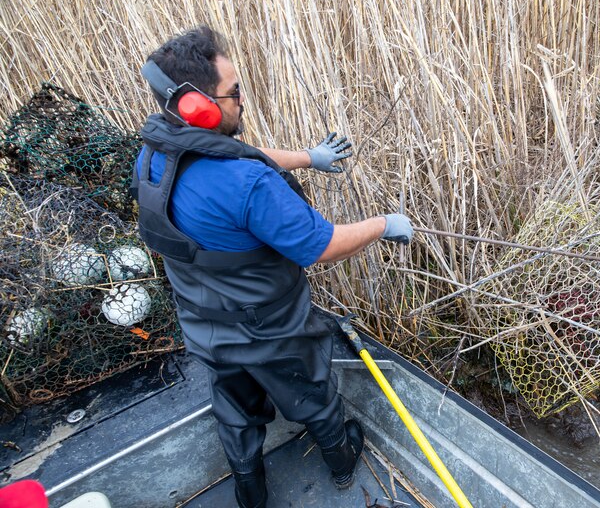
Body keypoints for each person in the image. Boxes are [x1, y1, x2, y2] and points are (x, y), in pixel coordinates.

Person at [132, 25, 413, 508]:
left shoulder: (154, 154)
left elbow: (237, 153)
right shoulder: (248, 185)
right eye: (233, 92)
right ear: (197, 106)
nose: (242, 100)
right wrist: (382, 224)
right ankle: (342, 464)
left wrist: (310, 157)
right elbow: (321, 245)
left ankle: (250, 490)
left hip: (203, 326)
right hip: (271, 331)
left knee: (235, 410)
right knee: (312, 395)